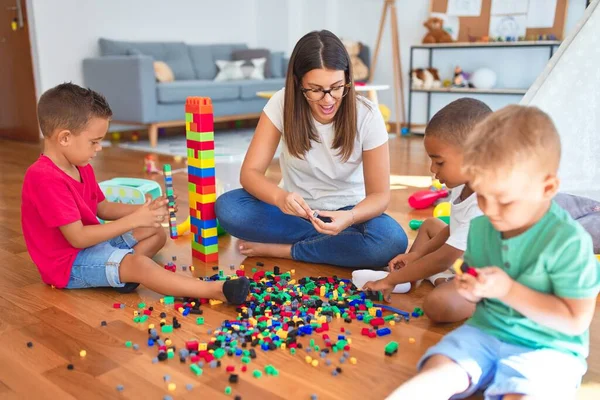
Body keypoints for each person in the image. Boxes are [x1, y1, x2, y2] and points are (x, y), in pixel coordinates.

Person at [387, 105, 600, 400]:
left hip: (547, 348)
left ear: (547, 187)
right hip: (485, 333)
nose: (491, 212)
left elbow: (574, 321)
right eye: (483, 198)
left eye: (505, 201)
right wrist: (471, 289)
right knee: (437, 371)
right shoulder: (483, 226)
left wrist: (508, 290)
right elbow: (476, 281)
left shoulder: (569, 243)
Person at [21, 83, 249, 304]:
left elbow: (102, 207)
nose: (99, 148)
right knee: (141, 265)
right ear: (65, 138)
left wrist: (144, 212)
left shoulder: (81, 166)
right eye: (94, 142)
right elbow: (78, 237)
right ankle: (215, 290)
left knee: (155, 232)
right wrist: (133, 220)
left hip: (91, 246)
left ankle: (121, 273)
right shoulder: (44, 177)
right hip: (68, 264)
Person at [215, 30, 407, 268]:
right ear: (298, 84)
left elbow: (380, 196)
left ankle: (287, 250)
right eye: (315, 89)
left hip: (348, 215)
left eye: (337, 87)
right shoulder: (281, 103)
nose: (328, 100)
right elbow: (250, 173)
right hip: (295, 213)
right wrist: (280, 197)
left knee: (391, 240)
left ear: (347, 79)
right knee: (229, 208)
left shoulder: (366, 114)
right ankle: (336, 246)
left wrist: (350, 217)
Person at [361, 99, 489, 324]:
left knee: (438, 305)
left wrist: (390, 280)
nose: (432, 170)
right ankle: (421, 276)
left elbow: (442, 258)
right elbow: (454, 228)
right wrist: (416, 255)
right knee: (430, 225)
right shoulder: (463, 182)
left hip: (491, 278)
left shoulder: (485, 200)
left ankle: (477, 299)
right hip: (466, 257)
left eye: (439, 162)